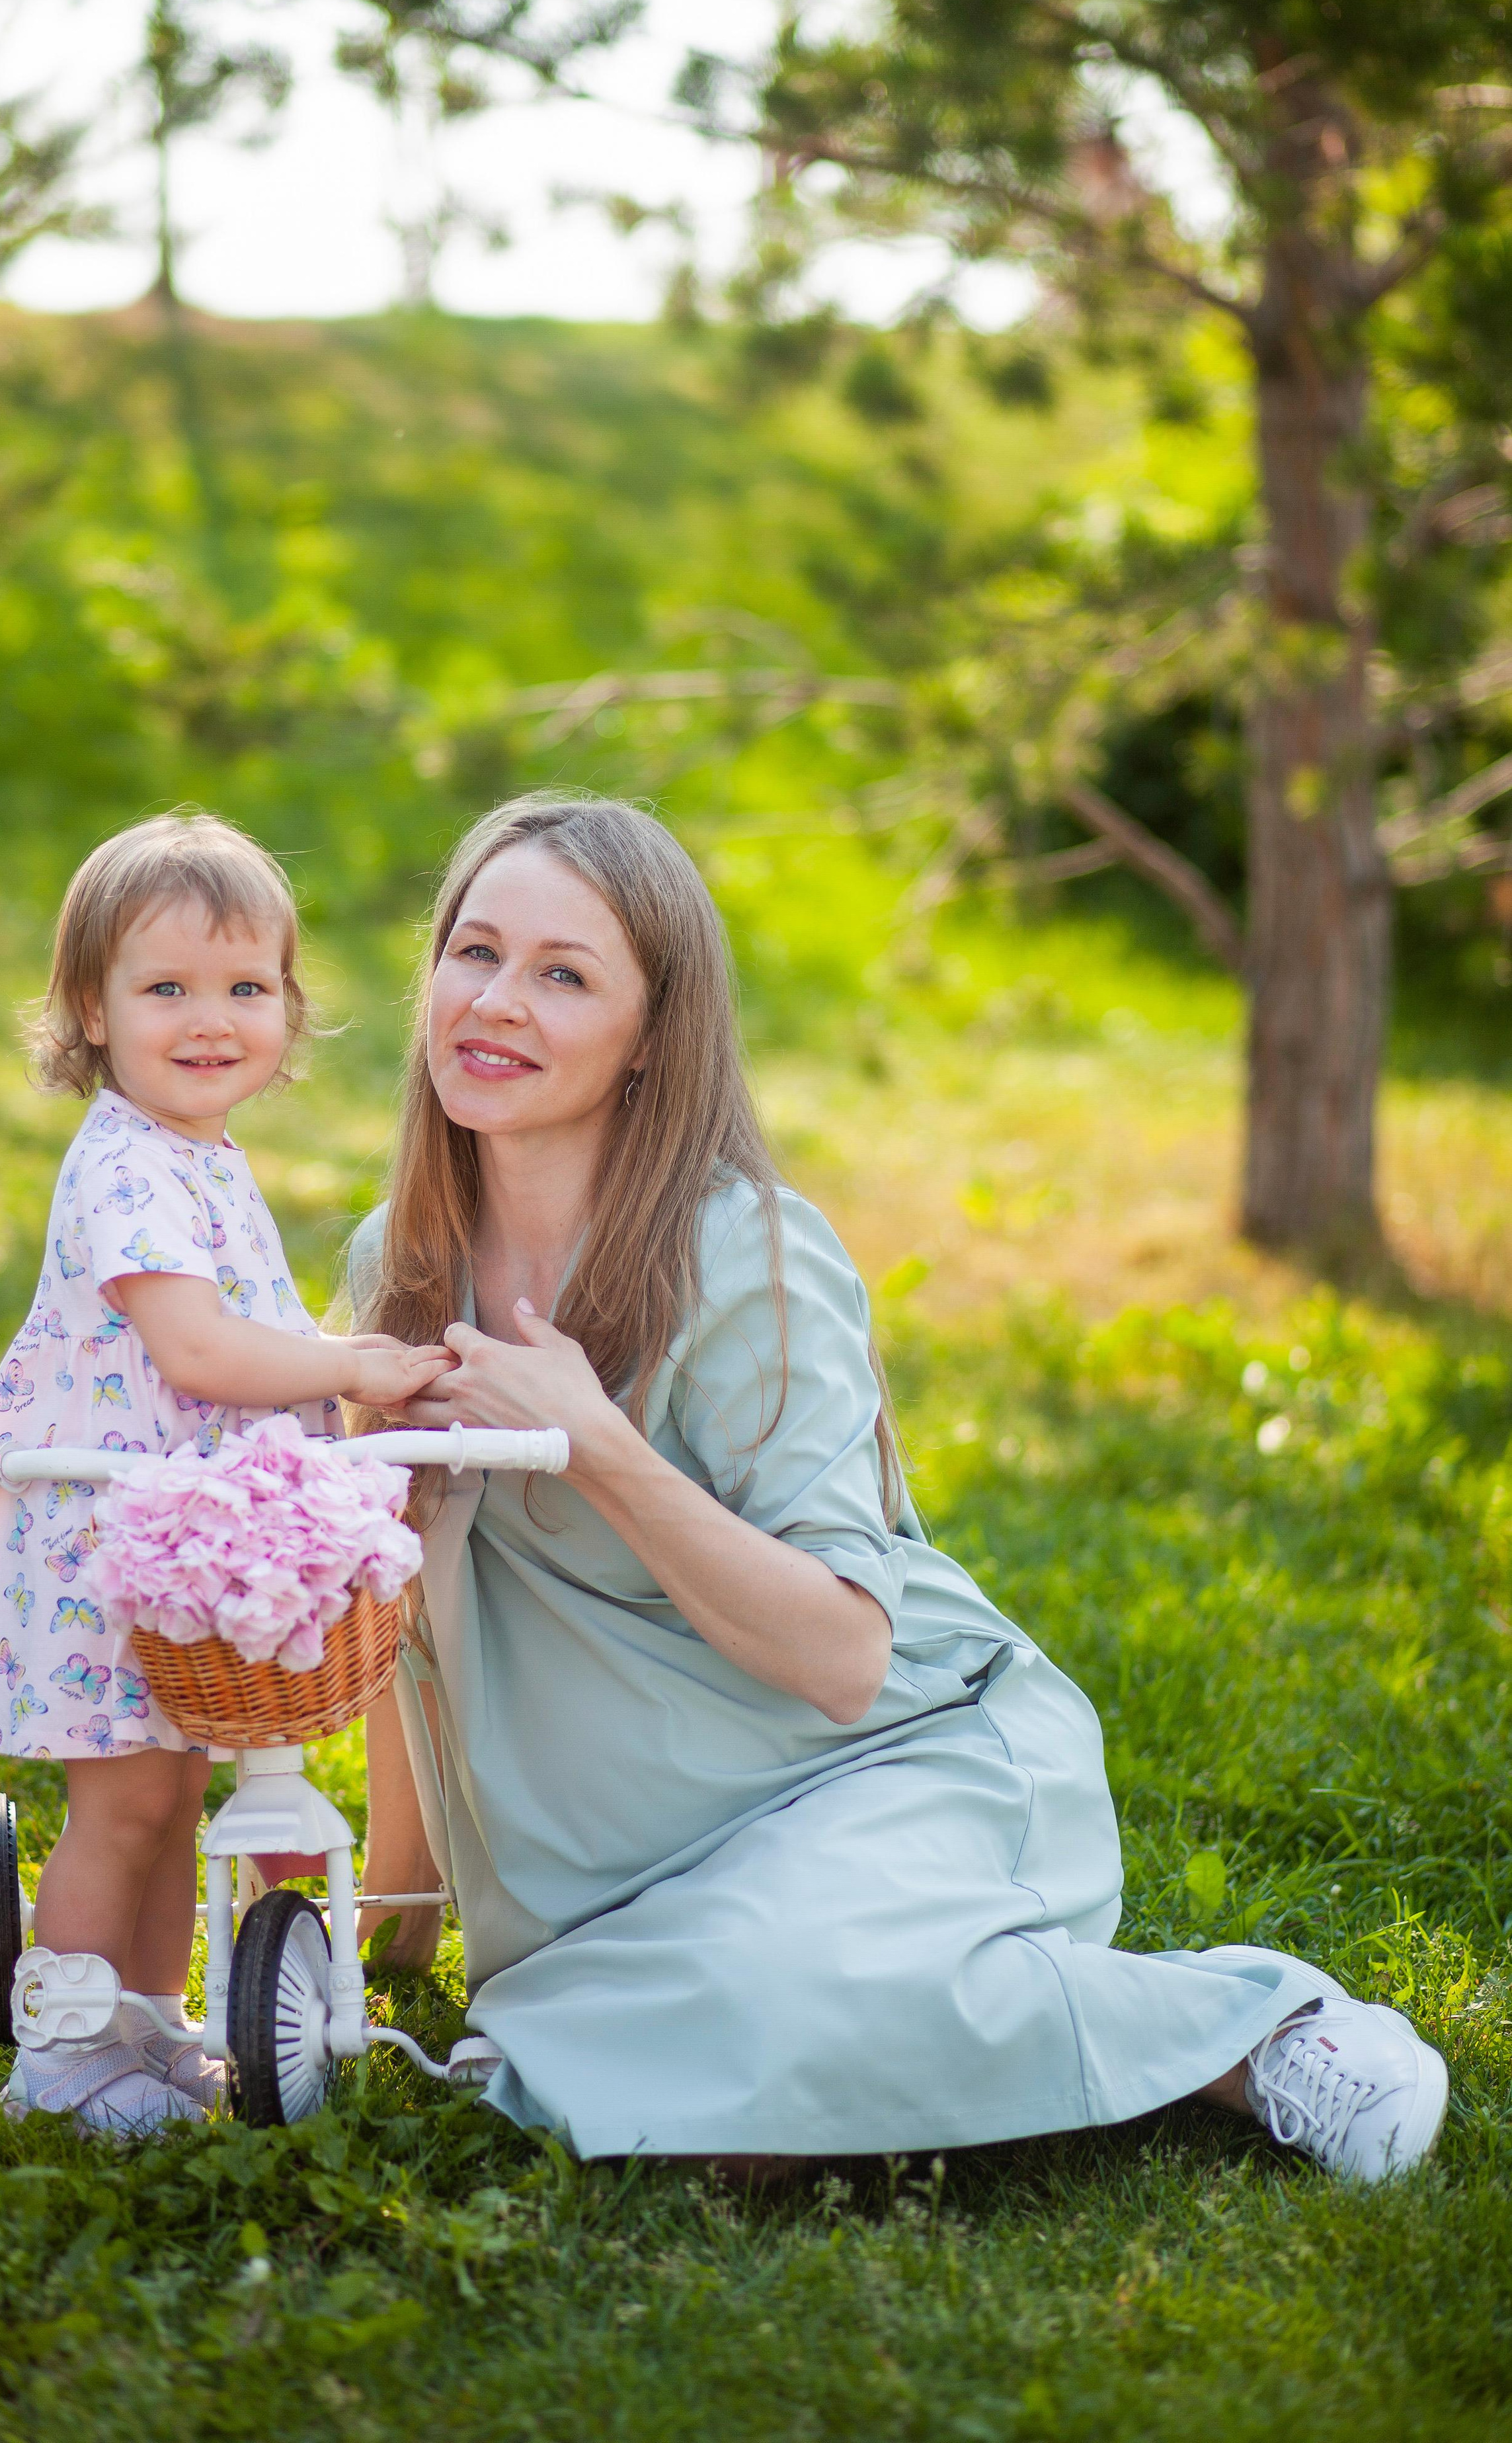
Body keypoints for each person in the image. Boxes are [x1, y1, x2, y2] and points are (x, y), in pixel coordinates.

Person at [348, 793, 1449, 2182]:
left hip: (882, 1773)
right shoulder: (397, 1266)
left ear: (651, 1038)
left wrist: (599, 1446)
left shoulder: (743, 1258)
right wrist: (396, 1922)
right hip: (627, 1864)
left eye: (564, 975)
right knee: (638, 2095)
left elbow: (844, 1659)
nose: (497, 1002)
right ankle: (761, 2012)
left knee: (764, 2025)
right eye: (475, 951)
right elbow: (407, 1603)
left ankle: (1252, 2028)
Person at [0, 811, 452, 2136]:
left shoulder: (196, 1154)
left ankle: (151, 2033)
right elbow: (198, 1350)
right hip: (107, 1538)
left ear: (287, 1006)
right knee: (121, 1809)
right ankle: (59, 2062)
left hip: (166, 1543)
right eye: (165, 988)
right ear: (91, 1011)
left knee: (170, 1796)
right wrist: (351, 1364)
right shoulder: (126, 1167)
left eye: (245, 988)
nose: (211, 1020)